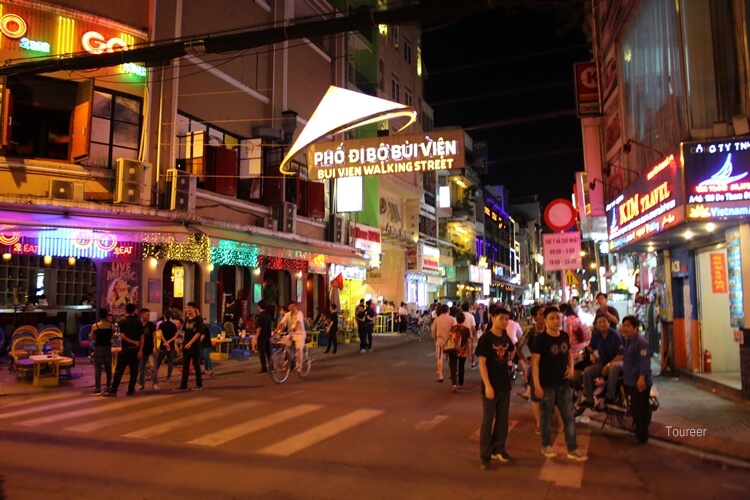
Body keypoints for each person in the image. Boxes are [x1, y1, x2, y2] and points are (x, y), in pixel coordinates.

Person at [532, 306, 588, 461]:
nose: (556, 321)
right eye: (552, 318)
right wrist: (536, 384)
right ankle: (546, 445)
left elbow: (569, 353)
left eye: (558, 318)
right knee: (546, 417)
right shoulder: (540, 339)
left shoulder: (564, 335)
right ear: (545, 320)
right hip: (547, 384)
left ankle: (573, 448)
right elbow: (535, 363)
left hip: (563, 384)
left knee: (569, 416)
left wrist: (571, 369)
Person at [476, 305, 515, 469]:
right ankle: (485, 455)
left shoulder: (505, 337)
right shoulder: (486, 339)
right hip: (491, 386)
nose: (505, 321)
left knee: (503, 420)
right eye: (501, 318)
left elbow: (512, 350)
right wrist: (487, 385)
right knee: (487, 421)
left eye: (507, 319)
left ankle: (499, 448)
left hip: (505, 384)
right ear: (492, 318)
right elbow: (482, 364)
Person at [579, 313, 625, 409]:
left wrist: (608, 365)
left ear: (608, 323)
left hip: (620, 362)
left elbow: (621, 355)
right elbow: (591, 347)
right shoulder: (597, 335)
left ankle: (610, 397)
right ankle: (589, 399)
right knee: (588, 371)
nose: (602, 324)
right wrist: (591, 355)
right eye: (599, 322)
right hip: (604, 362)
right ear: (596, 325)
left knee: (613, 367)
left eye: (604, 322)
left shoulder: (615, 335)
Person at [621, 315, 652, 443]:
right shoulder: (628, 341)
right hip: (630, 381)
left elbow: (644, 362)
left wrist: (641, 378)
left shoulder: (641, 343)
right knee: (636, 408)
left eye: (628, 326)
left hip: (639, 382)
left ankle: (642, 434)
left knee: (640, 409)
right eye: (624, 325)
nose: (625, 328)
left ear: (635, 328)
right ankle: (640, 432)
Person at [104, 303, 142, 397]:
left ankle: (113, 390)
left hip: (125, 349)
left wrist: (132, 342)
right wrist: (140, 348)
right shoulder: (139, 322)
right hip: (136, 350)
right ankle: (131, 389)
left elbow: (122, 336)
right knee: (134, 371)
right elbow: (142, 337)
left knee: (119, 371)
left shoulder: (122, 322)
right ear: (134, 311)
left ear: (126, 311)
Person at [174, 301, 204, 392]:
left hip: (195, 346)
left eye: (189, 307)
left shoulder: (199, 319)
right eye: (187, 308)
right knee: (185, 366)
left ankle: (199, 384)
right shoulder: (187, 319)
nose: (187, 309)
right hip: (186, 346)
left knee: (196, 366)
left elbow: (198, 333)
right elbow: (184, 332)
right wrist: (182, 342)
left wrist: (190, 343)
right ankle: (183, 385)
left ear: (194, 308)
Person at [274, 302, 306, 373]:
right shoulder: (287, 315)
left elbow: (298, 322)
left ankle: (299, 366)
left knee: (299, 349)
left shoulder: (299, 313)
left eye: (293, 306)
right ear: (288, 307)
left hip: (300, 334)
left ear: (296, 307)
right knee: (284, 345)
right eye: (290, 306)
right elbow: (282, 323)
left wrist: (295, 328)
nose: (292, 307)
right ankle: (287, 360)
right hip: (291, 334)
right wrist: (276, 330)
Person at [90, 307, 113, 396]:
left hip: (98, 348)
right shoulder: (111, 325)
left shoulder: (95, 326)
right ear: (106, 315)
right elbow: (111, 337)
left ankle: (98, 388)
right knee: (108, 369)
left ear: (99, 316)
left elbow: (92, 337)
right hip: (107, 348)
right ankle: (108, 387)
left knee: (98, 369)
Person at [447, 311, 472, 392]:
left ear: (456, 319)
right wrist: (469, 352)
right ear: (464, 320)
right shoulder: (466, 330)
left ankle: (454, 384)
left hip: (453, 349)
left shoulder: (453, 328)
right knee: (461, 367)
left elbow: (450, 339)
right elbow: (468, 341)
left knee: (453, 367)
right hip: (462, 350)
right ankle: (460, 384)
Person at [431, 304, 456, 383]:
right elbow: (455, 331)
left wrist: (435, 340)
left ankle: (440, 375)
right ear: (448, 311)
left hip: (440, 342)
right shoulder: (452, 319)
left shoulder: (437, 320)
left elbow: (433, 331)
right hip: (450, 343)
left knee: (439, 358)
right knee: (450, 359)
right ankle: (451, 374)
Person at [137, 308, 158, 391]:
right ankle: (141, 384)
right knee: (141, 368)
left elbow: (154, 337)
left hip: (150, 349)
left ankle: (155, 383)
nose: (148, 316)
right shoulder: (137, 324)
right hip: (141, 350)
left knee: (153, 367)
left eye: (149, 315)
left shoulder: (151, 325)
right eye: (147, 315)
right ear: (142, 315)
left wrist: (155, 347)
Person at [154, 311, 177, 383]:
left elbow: (161, 335)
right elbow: (175, 335)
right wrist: (169, 342)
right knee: (170, 362)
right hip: (171, 346)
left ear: (164, 316)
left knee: (158, 361)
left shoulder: (161, 325)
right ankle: (168, 377)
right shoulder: (173, 325)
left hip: (163, 346)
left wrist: (165, 342)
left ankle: (154, 376)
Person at [253, 300, 273, 373]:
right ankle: (271, 367)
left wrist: (256, 337)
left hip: (262, 337)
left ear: (259, 307)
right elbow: (270, 326)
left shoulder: (260, 316)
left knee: (262, 353)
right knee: (269, 352)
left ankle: (264, 368)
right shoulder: (268, 315)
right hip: (268, 336)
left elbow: (259, 328)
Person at [460, 303, 477, 369]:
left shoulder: (458, 315)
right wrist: (474, 336)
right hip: (469, 335)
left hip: (460, 334)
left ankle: (461, 365)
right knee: (471, 349)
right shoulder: (471, 316)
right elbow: (473, 327)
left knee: (461, 349)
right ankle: (472, 363)